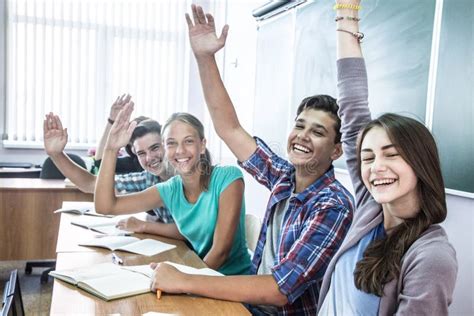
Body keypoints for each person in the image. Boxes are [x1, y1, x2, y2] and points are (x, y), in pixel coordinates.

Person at [149, 5, 354, 315]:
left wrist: (187, 279)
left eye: (318, 132)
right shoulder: (284, 177)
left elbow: (279, 290)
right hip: (250, 306)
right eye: (299, 125)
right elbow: (229, 128)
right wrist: (205, 58)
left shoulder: (333, 205)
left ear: (336, 151)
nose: (302, 136)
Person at [316, 1, 457, 315]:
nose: (376, 167)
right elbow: (351, 104)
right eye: (367, 157)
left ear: (420, 162)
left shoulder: (431, 256)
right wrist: (346, 14)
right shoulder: (371, 207)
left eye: (391, 154)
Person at [94, 102, 251, 275]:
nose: (180, 150)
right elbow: (105, 206)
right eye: (171, 143)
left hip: (231, 286)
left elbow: (220, 252)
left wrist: (182, 281)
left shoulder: (228, 178)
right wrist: (111, 149)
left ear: (202, 144)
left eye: (188, 141)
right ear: (165, 148)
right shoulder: (170, 189)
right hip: (200, 276)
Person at [43, 96, 174, 226]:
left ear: (168, 144)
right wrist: (56, 154)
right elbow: (90, 183)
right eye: (141, 153)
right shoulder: (148, 179)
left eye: (155, 148)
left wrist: (147, 226)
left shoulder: (184, 174)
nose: (149, 158)